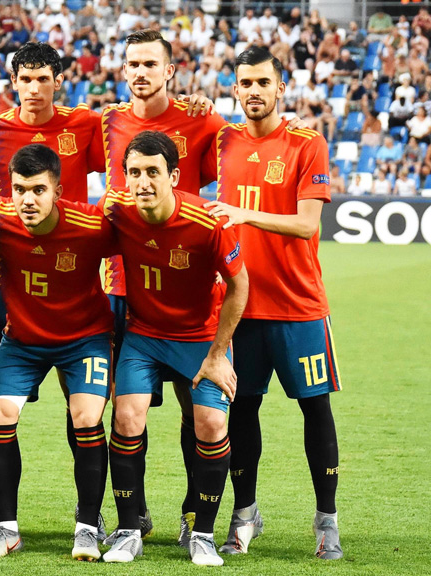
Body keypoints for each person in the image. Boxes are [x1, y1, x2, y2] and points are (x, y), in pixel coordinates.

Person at [0, 41, 107, 542]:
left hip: (73, 283)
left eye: (42, 79)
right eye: (24, 79)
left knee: (84, 405)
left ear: (59, 80)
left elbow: (130, 156)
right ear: (12, 82)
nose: (33, 88)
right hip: (5, 287)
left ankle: (94, 512)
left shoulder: (85, 125)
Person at [205, 45, 343, 561]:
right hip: (239, 308)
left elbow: (308, 224)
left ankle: (326, 521)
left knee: (316, 410)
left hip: (298, 305)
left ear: (281, 87)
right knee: (241, 409)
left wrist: (244, 214)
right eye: (246, 82)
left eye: (264, 82)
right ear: (235, 88)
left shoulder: (307, 142)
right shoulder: (222, 139)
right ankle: (245, 515)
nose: (254, 91)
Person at [95, 29, 226, 545]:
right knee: (119, 409)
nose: (141, 72)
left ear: (170, 70)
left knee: (198, 410)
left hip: (187, 284)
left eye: (151, 63)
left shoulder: (202, 119)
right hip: (123, 284)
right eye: (133, 64)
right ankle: (133, 515)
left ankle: (195, 515)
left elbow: (236, 162)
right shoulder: (105, 120)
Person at [100, 131, 248, 567]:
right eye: (134, 172)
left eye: (153, 171)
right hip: (143, 336)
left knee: (211, 423)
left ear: (174, 177)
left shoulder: (208, 222)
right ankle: (129, 530)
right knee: (126, 417)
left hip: (200, 339)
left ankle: (202, 534)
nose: (143, 182)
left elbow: (240, 285)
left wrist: (218, 354)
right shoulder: (117, 212)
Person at [0, 145, 115, 559]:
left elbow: (144, 242)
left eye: (38, 190)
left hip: (85, 339)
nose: (27, 200)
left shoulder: (91, 225)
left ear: (57, 191)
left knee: (86, 416)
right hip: (23, 341)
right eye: (19, 189)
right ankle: (6, 530)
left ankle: (87, 528)